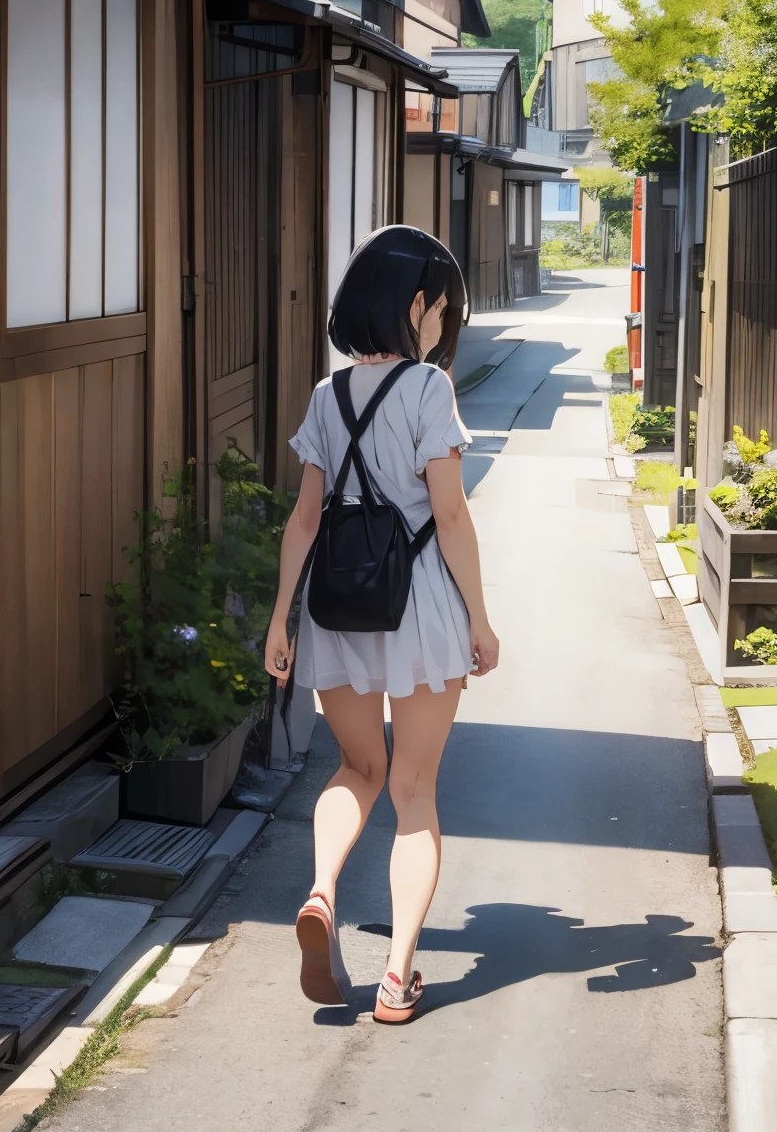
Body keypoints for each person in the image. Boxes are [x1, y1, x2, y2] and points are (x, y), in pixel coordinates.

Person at [263, 225, 499, 1024]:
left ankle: (323, 890)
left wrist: (279, 620)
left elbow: (303, 520)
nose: (441, 322)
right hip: (421, 607)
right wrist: (482, 618)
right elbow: (451, 513)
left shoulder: (326, 397)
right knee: (414, 789)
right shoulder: (430, 391)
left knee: (356, 770)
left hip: (336, 610)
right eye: (439, 307)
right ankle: (397, 978)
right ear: (417, 307)